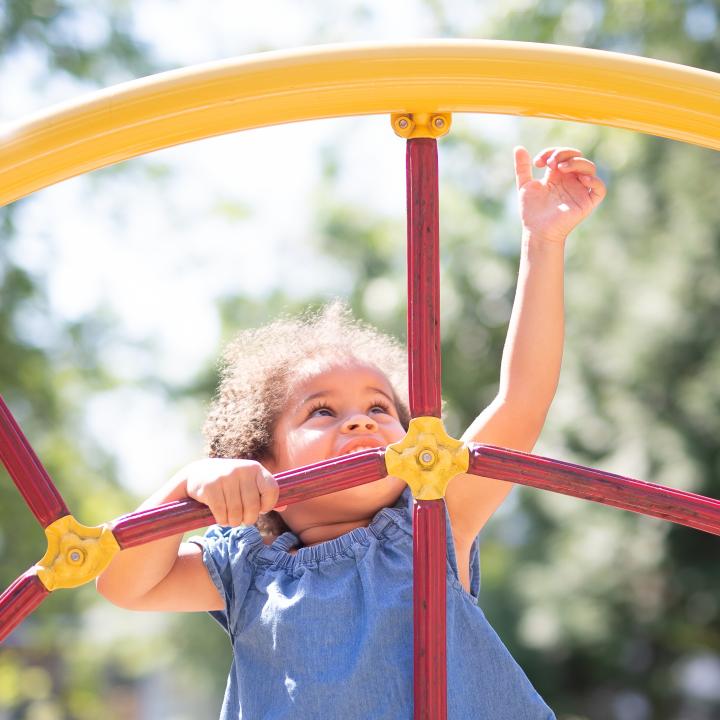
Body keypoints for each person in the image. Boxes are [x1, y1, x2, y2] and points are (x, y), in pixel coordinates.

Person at [97, 146, 606, 719]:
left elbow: (522, 400)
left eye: (380, 407)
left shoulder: (433, 521)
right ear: (266, 460)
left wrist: (545, 243)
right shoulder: (248, 568)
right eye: (322, 412)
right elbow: (126, 584)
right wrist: (188, 484)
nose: (361, 420)